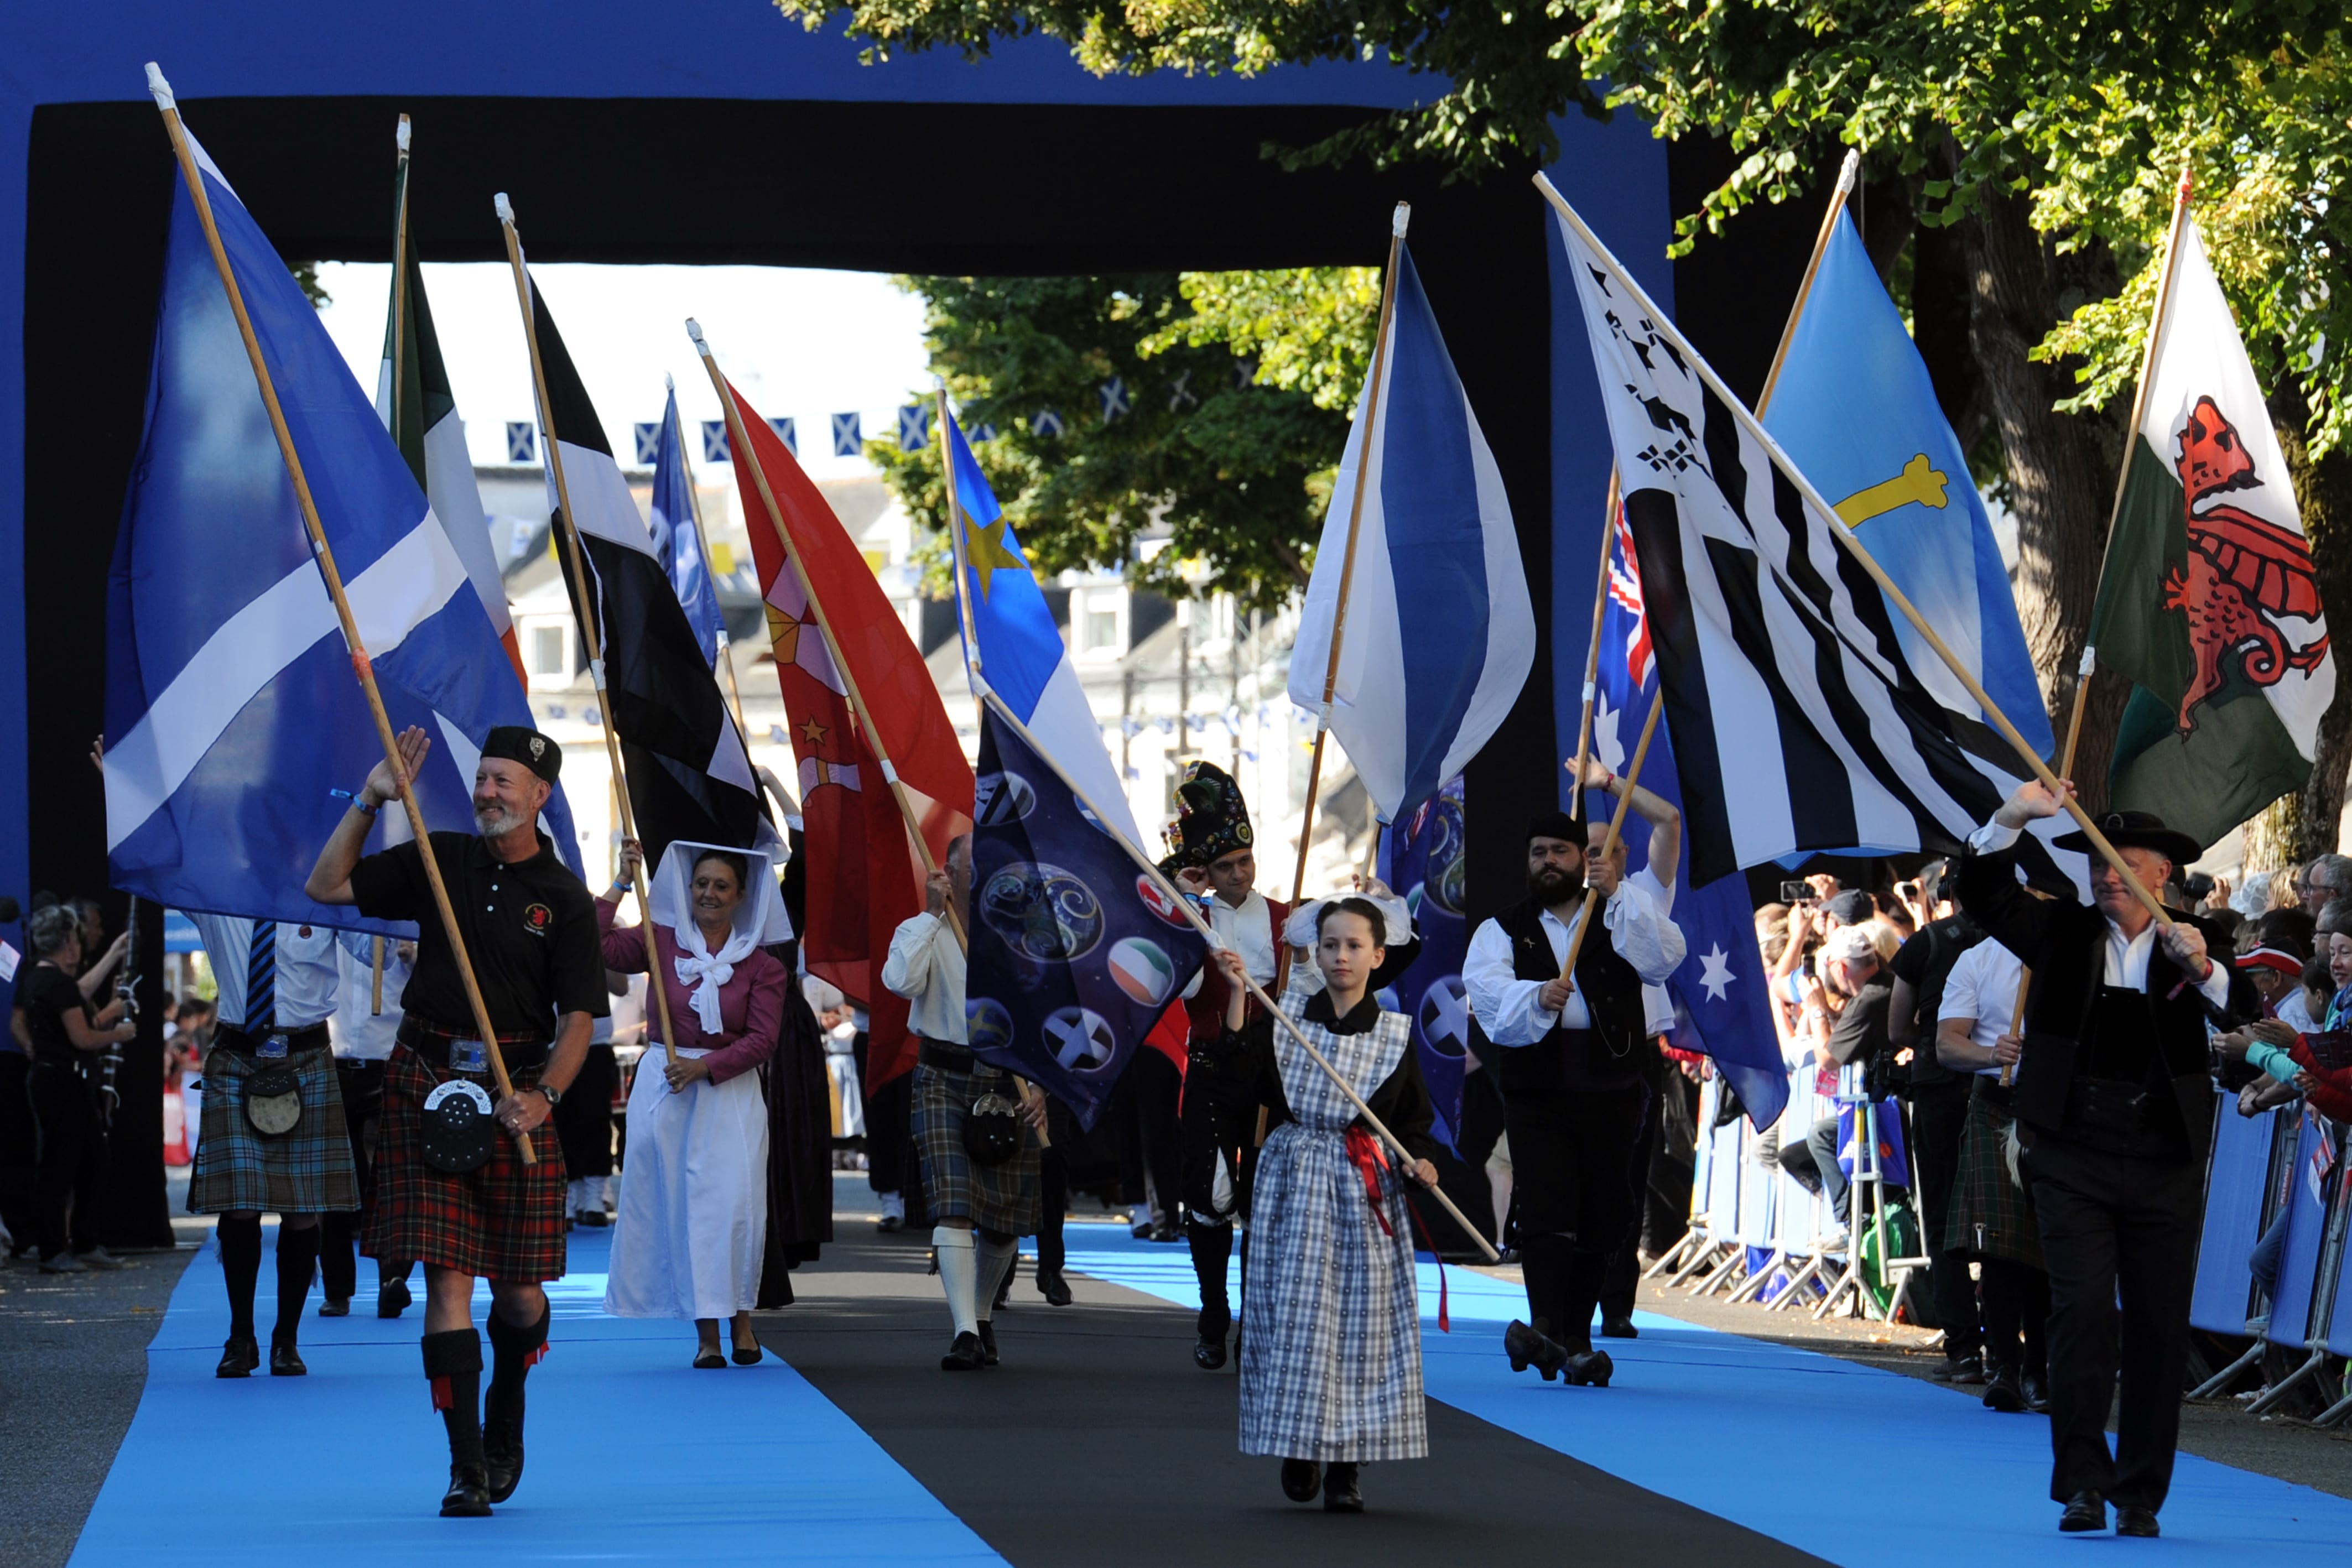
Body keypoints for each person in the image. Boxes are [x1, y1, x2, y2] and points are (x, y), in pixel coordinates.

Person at [304, 724, 607, 1518]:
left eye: (505, 781)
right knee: (448, 1278)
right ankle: (466, 1463)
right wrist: (369, 800)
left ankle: (509, 1393)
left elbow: (579, 1017)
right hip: (425, 1077)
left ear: (540, 795)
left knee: (518, 1297)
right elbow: (325, 885)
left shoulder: (565, 898)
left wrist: (543, 1095)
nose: (488, 792)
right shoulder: (437, 862)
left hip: (516, 1095)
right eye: (482, 779)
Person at [1959, 785, 2254, 1539]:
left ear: (2163, 873)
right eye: (2096, 861)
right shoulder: (2060, 930)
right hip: (2072, 1156)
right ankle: (2082, 1483)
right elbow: (1982, 890)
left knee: (2158, 1327)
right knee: (2083, 1314)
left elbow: (2247, 1017)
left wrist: (2209, 971)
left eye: (2123, 863)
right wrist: (2017, 814)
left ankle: (2141, 1492)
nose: (2106, 874)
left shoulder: (2195, 942)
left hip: (2163, 1162)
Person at [1226, 889, 1438, 1515]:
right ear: (1314, 954)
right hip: (1296, 1186)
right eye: (1330, 945)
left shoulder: (1398, 1035)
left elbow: (1413, 1122)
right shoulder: (1286, 1019)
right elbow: (1242, 1088)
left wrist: (1419, 1161)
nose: (1340, 956)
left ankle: (1347, 1465)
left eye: (1353, 946)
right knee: (1296, 1319)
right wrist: (1240, 994)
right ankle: (1299, 1442)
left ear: (1378, 954)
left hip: (1363, 1186)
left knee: (1361, 1327)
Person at [1466, 810, 1685, 1385]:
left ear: (1585, 860)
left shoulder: (1619, 915)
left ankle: (1576, 1335)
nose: (1549, 862)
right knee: (1546, 1201)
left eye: (1560, 852)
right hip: (1538, 1088)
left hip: (1610, 1086)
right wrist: (1535, 995)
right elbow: (1486, 996)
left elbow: (1663, 960)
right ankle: (1544, 1323)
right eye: (1538, 852)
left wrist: (1618, 895)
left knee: (1604, 1213)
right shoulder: (1502, 928)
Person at [598, 837, 790, 1367]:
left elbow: (763, 1039)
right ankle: (706, 1335)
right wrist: (620, 880)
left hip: (727, 1093)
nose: (708, 893)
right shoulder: (661, 941)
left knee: (731, 1209)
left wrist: (706, 1066)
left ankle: (742, 1323)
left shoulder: (763, 966)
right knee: (682, 1209)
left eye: (720, 886)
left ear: (741, 897)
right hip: (666, 1088)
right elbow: (594, 944)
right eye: (700, 883)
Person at [880, 834, 1046, 1371]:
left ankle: (982, 1316)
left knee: (1002, 1218)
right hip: (943, 1076)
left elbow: (1047, 1018)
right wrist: (932, 915)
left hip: (1009, 1082)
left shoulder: (1023, 935)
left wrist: (1041, 1087)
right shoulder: (919, 930)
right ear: (948, 872)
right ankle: (965, 1332)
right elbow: (898, 980)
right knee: (953, 1205)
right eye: (975, 866)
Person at [184, 910, 357, 1375]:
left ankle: (287, 1341)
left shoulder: (323, 897)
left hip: (305, 1056)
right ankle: (241, 1337)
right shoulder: (218, 898)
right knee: (239, 1202)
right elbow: (173, 874)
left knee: (303, 1207)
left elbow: (366, 947)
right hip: (238, 1055)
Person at [1165, 759, 1288, 1368]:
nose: (1238, 874)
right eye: (1224, 867)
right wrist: (1183, 902)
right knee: (1212, 1197)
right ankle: (1213, 1311)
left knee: (1264, 1202)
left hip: (1273, 1077)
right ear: (1205, 872)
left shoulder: (1292, 920)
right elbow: (1178, 990)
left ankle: (1255, 1322)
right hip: (1213, 1069)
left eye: (1244, 860)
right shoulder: (1191, 919)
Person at [1934, 935, 2049, 1415]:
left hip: (2058, 1110)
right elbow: (1947, 1043)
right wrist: (1991, 1053)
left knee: (2049, 1242)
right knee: (1999, 1245)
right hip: (1996, 1105)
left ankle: (2039, 1370)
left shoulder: (2079, 955)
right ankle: (2005, 1362)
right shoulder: (1977, 959)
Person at [1887, 879, 1988, 1381]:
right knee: (2001, 1218)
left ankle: (1965, 1348)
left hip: (1940, 1084)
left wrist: (1933, 1040)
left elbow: (1896, 1028)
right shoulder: (2012, 940)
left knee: (1947, 1216)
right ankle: (2012, 1353)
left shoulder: (1926, 942)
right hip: (1995, 1082)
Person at [16, 904, 136, 1273]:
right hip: (62, 1082)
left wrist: (114, 953)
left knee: (88, 1160)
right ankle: (54, 1249)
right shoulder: (57, 984)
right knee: (62, 1166)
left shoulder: (39, 977)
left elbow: (78, 991)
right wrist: (122, 1031)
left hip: (55, 1079)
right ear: (69, 942)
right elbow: (83, 1037)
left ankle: (80, 1241)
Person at [1776, 925, 1892, 1232]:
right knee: (1795, 1155)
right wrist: (1826, 1011)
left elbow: (1828, 1059)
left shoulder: (1870, 998)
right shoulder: (1882, 986)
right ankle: (1856, 1215)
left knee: (1820, 1136)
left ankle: (1853, 1221)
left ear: (1841, 967)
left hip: (1888, 1113)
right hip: (1887, 1107)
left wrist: (1815, 1010)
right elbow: (1850, 1031)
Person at [323, 933, 417, 1317]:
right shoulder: (329, 916)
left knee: (392, 1177)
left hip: (390, 1058)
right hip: (333, 1060)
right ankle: (337, 1288)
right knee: (334, 1181)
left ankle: (391, 1278)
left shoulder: (413, 917)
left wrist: (416, 959)